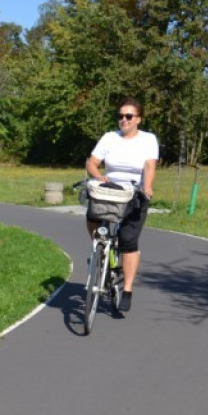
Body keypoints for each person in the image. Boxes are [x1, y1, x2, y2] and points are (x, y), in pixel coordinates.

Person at [85, 98, 159, 313]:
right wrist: (99, 177)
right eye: (120, 116)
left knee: (128, 239)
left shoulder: (148, 139)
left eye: (129, 116)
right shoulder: (109, 138)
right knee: (92, 216)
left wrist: (147, 186)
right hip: (109, 189)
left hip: (134, 191)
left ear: (138, 119)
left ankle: (126, 290)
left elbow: (149, 165)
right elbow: (92, 162)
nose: (123, 120)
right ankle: (99, 247)